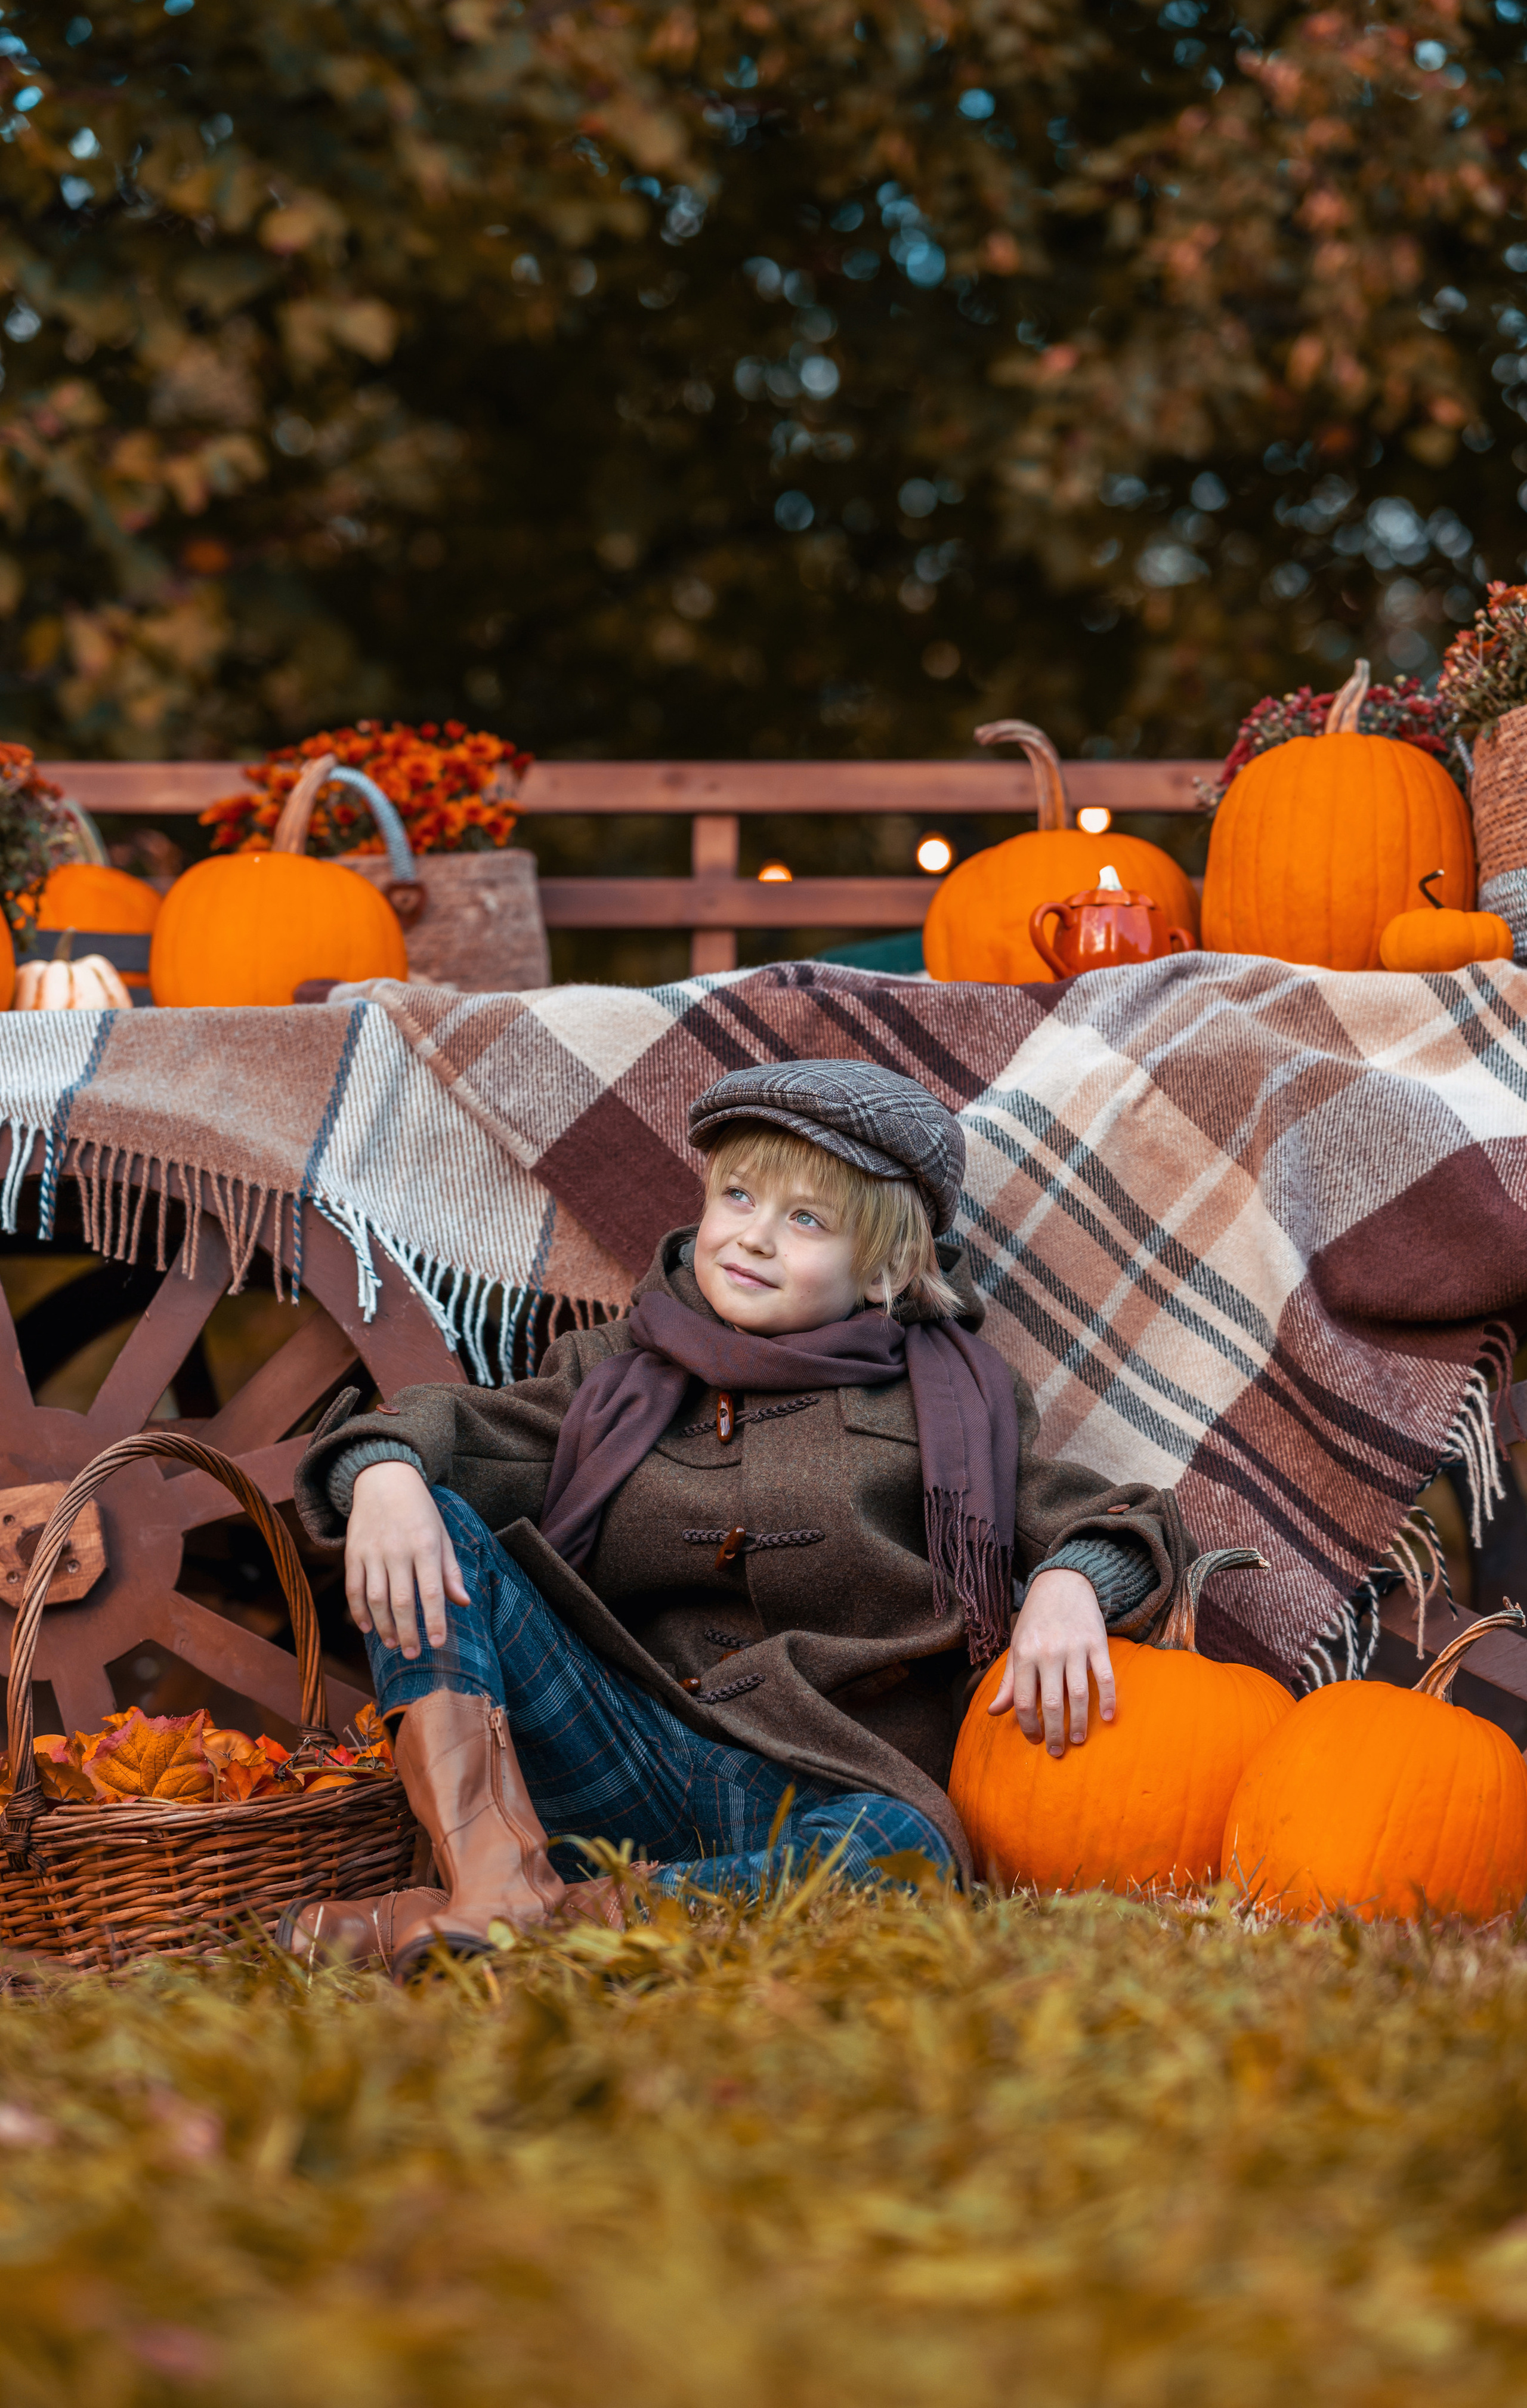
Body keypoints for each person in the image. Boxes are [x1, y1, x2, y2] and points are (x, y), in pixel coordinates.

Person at [286, 1059, 1193, 1978]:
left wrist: (1073, 1582)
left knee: (909, 1857)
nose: (753, 1238)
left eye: (805, 1220)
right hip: (619, 1746)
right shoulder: (609, 1369)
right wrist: (385, 1475)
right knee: (429, 1522)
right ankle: (493, 1885)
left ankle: (540, 1927)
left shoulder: (951, 1402)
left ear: (883, 1267)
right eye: (739, 1197)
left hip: (814, 1787)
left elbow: (1110, 1518)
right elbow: (448, 1430)